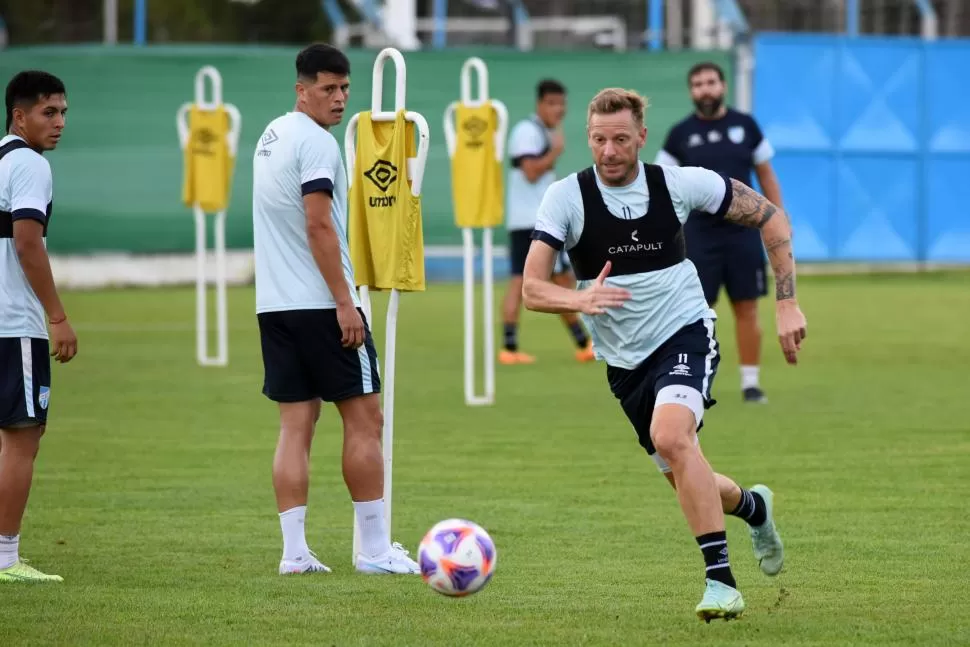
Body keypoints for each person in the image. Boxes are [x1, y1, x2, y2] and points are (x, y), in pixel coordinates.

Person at [522, 88, 806, 621]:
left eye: (621, 139)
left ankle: (721, 583)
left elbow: (771, 217)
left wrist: (787, 304)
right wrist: (579, 298)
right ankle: (754, 506)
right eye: (599, 139)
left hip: (684, 332)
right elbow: (532, 288)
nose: (609, 151)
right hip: (624, 364)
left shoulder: (678, 183)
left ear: (642, 138)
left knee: (672, 436)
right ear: (589, 137)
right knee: (686, 469)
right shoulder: (566, 196)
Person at [251, 43, 418, 576]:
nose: (340, 98)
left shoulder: (270, 135)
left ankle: (294, 553)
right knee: (367, 418)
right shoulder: (318, 143)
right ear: (302, 90)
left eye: (345, 88)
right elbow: (317, 223)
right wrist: (345, 303)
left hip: (274, 306)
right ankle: (373, 551)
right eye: (328, 89)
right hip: (324, 306)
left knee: (295, 426)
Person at [655, 61, 786, 404]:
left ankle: (750, 383)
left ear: (723, 85)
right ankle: (691, 380)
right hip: (698, 235)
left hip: (743, 233)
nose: (705, 89)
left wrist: (778, 217)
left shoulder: (746, 126)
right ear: (691, 92)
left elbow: (766, 173)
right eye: (697, 84)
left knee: (747, 307)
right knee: (696, 310)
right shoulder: (680, 134)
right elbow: (660, 184)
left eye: (710, 82)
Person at [0, 70, 77, 584]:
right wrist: (57, 314)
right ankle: (6, 558)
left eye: (64, 113)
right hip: (13, 324)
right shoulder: (28, 165)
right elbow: (27, 242)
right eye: (49, 113)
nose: (60, 123)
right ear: (19, 115)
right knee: (23, 437)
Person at [500, 79, 593, 365]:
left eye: (562, 104)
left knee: (553, 279)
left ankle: (579, 342)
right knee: (530, 281)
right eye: (552, 103)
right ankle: (581, 342)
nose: (559, 110)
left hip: (530, 220)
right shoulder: (528, 132)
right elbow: (529, 172)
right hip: (533, 222)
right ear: (539, 104)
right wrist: (555, 152)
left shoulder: (540, 131)